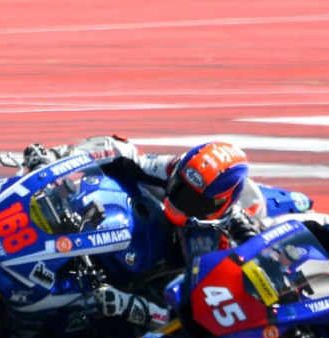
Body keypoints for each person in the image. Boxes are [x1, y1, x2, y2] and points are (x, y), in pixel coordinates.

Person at [21, 135, 259, 328]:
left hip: (162, 289)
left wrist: (135, 308)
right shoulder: (172, 168)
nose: (182, 200)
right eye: (180, 187)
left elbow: (204, 316)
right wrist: (57, 157)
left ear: (220, 206)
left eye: (195, 201)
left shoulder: (221, 237)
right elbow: (117, 148)